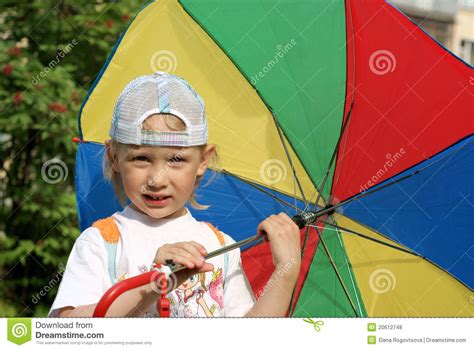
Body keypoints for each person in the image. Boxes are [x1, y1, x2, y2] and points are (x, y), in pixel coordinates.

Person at [49, 72, 301, 318]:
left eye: (176, 159)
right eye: (141, 158)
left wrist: (286, 272)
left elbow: (249, 339)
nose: (157, 179)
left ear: (203, 160)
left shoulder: (222, 246)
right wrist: (151, 285)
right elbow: (71, 327)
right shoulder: (103, 242)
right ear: (114, 157)